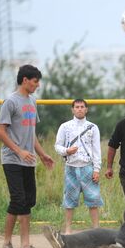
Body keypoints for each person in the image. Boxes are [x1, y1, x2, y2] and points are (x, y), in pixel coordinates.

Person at [0, 64, 54, 248]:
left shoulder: (32, 102)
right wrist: (19, 151)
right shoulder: (10, 102)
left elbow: (31, 134)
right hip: (12, 159)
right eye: (35, 81)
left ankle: (25, 247)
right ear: (25, 80)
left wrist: (42, 154)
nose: (37, 85)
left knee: (28, 201)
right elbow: (0, 132)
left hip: (28, 160)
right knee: (18, 199)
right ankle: (7, 243)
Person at [54, 98, 103, 233]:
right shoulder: (65, 126)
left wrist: (97, 169)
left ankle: (96, 229)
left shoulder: (93, 127)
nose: (80, 109)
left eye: (82, 107)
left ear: (86, 109)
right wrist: (66, 151)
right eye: (77, 107)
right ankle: (68, 229)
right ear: (72, 109)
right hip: (71, 167)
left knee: (93, 199)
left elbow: (96, 149)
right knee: (69, 199)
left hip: (88, 166)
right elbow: (57, 145)